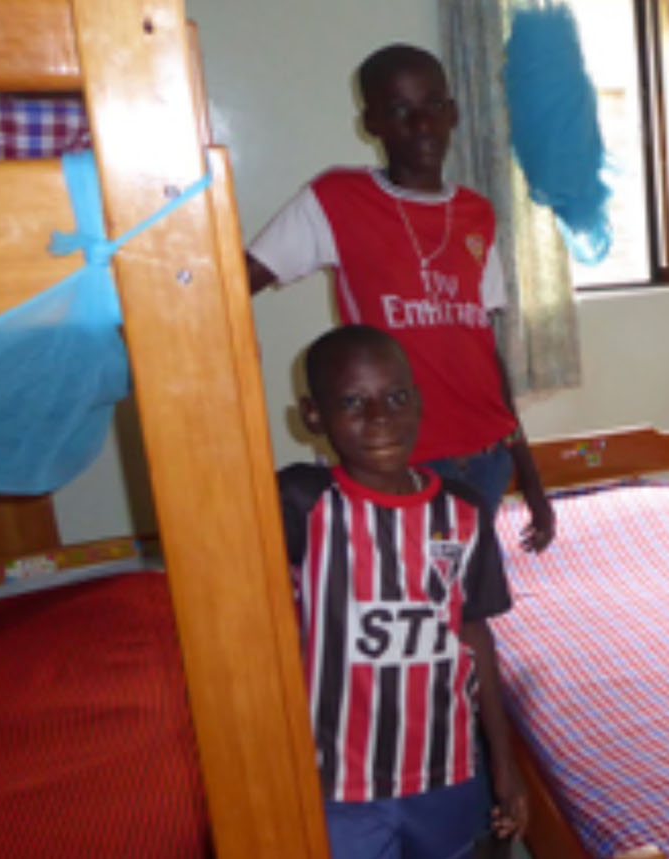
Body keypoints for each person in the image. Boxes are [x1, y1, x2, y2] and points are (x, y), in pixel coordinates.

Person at [247, 43, 554, 553]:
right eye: (399, 111)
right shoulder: (337, 200)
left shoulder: (477, 214)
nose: (422, 125)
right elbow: (234, 282)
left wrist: (529, 472)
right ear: (372, 123)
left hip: (486, 456)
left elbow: (484, 349)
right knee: (412, 609)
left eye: (434, 105)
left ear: (453, 111)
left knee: (462, 604)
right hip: (403, 459)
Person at [278, 325, 528, 857]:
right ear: (313, 416)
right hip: (340, 783)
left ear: (417, 402)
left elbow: (475, 636)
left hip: (447, 769)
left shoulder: (462, 512)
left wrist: (504, 766)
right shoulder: (303, 504)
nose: (379, 418)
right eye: (353, 402)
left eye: (395, 398)